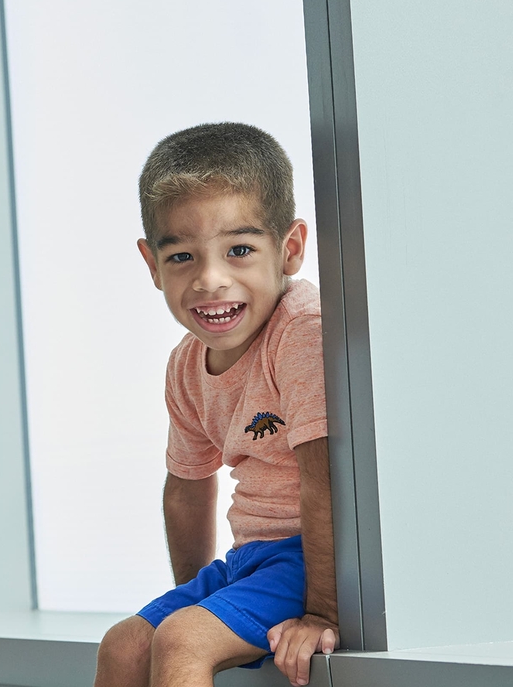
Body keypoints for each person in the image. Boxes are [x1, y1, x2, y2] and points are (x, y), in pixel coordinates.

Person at [93, 123, 338, 687]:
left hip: (312, 557)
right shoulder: (186, 364)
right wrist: (195, 595)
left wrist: (323, 613)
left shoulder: (299, 333)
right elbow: (187, 486)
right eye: (181, 256)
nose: (210, 279)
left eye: (240, 250)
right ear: (152, 265)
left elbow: (325, 479)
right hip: (251, 560)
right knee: (125, 644)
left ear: (291, 249)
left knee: (183, 639)